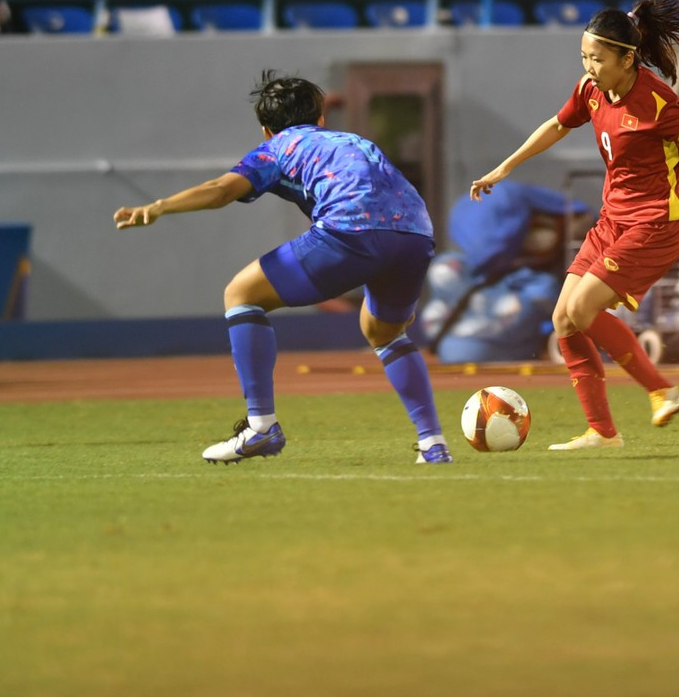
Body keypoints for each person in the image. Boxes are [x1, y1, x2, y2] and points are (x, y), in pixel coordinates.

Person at [113, 71, 446, 463]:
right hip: (416, 234)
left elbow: (222, 190)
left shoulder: (278, 147)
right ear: (321, 118)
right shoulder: (353, 140)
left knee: (241, 294)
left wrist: (159, 207)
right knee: (382, 331)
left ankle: (261, 428)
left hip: (351, 229)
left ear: (266, 129)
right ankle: (433, 444)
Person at [470, 0, 679, 450]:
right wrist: (505, 167)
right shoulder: (591, 89)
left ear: (627, 58)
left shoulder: (657, 100)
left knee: (582, 309)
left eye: (597, 58)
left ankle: (662, 390)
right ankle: (602, 433)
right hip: (613, 220)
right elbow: (557, 125)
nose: (589, 66)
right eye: (584, 57)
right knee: (564, 319)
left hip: (656, 224)